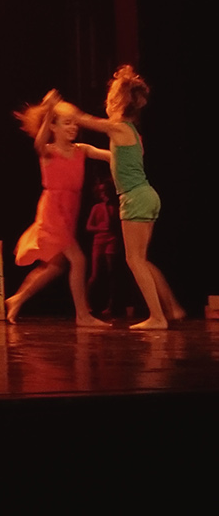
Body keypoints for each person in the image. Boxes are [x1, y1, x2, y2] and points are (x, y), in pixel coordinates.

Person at [71, 66, 184, 331]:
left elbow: (84, 119)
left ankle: (158, 317)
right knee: (141, 259)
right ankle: (170, 309)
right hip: (147, 195)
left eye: (110, 97)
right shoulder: (131, 132)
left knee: (134, 260)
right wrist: (89, 150)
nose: (106, 101)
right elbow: (116, 159)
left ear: (118, 102)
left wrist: (58, 106)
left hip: (135, 197)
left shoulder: (119, 127)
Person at [6, 88, 110, 327]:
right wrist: (51, 108)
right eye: (67, 123)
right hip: (53, 212)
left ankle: (18, 298)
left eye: (74, 123)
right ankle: (83, 315)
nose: (73, 127)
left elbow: (109, 155)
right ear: (53, 126)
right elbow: (39, 142)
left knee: (55, 266)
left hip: (70, 210)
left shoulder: (81, 150)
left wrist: (128, 147)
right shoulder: (48, 152)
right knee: (79, 260)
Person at [85, 177, 125, 320]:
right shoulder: (97, 208)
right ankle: (85, 303)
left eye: (106, 190)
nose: (104, 193)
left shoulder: (116, 207)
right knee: (95, 274)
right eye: (101, 191)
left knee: (111, 272)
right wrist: (100, 228)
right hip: (99, 241)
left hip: (112, 240)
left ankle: (111, 305)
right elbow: (88, 226)